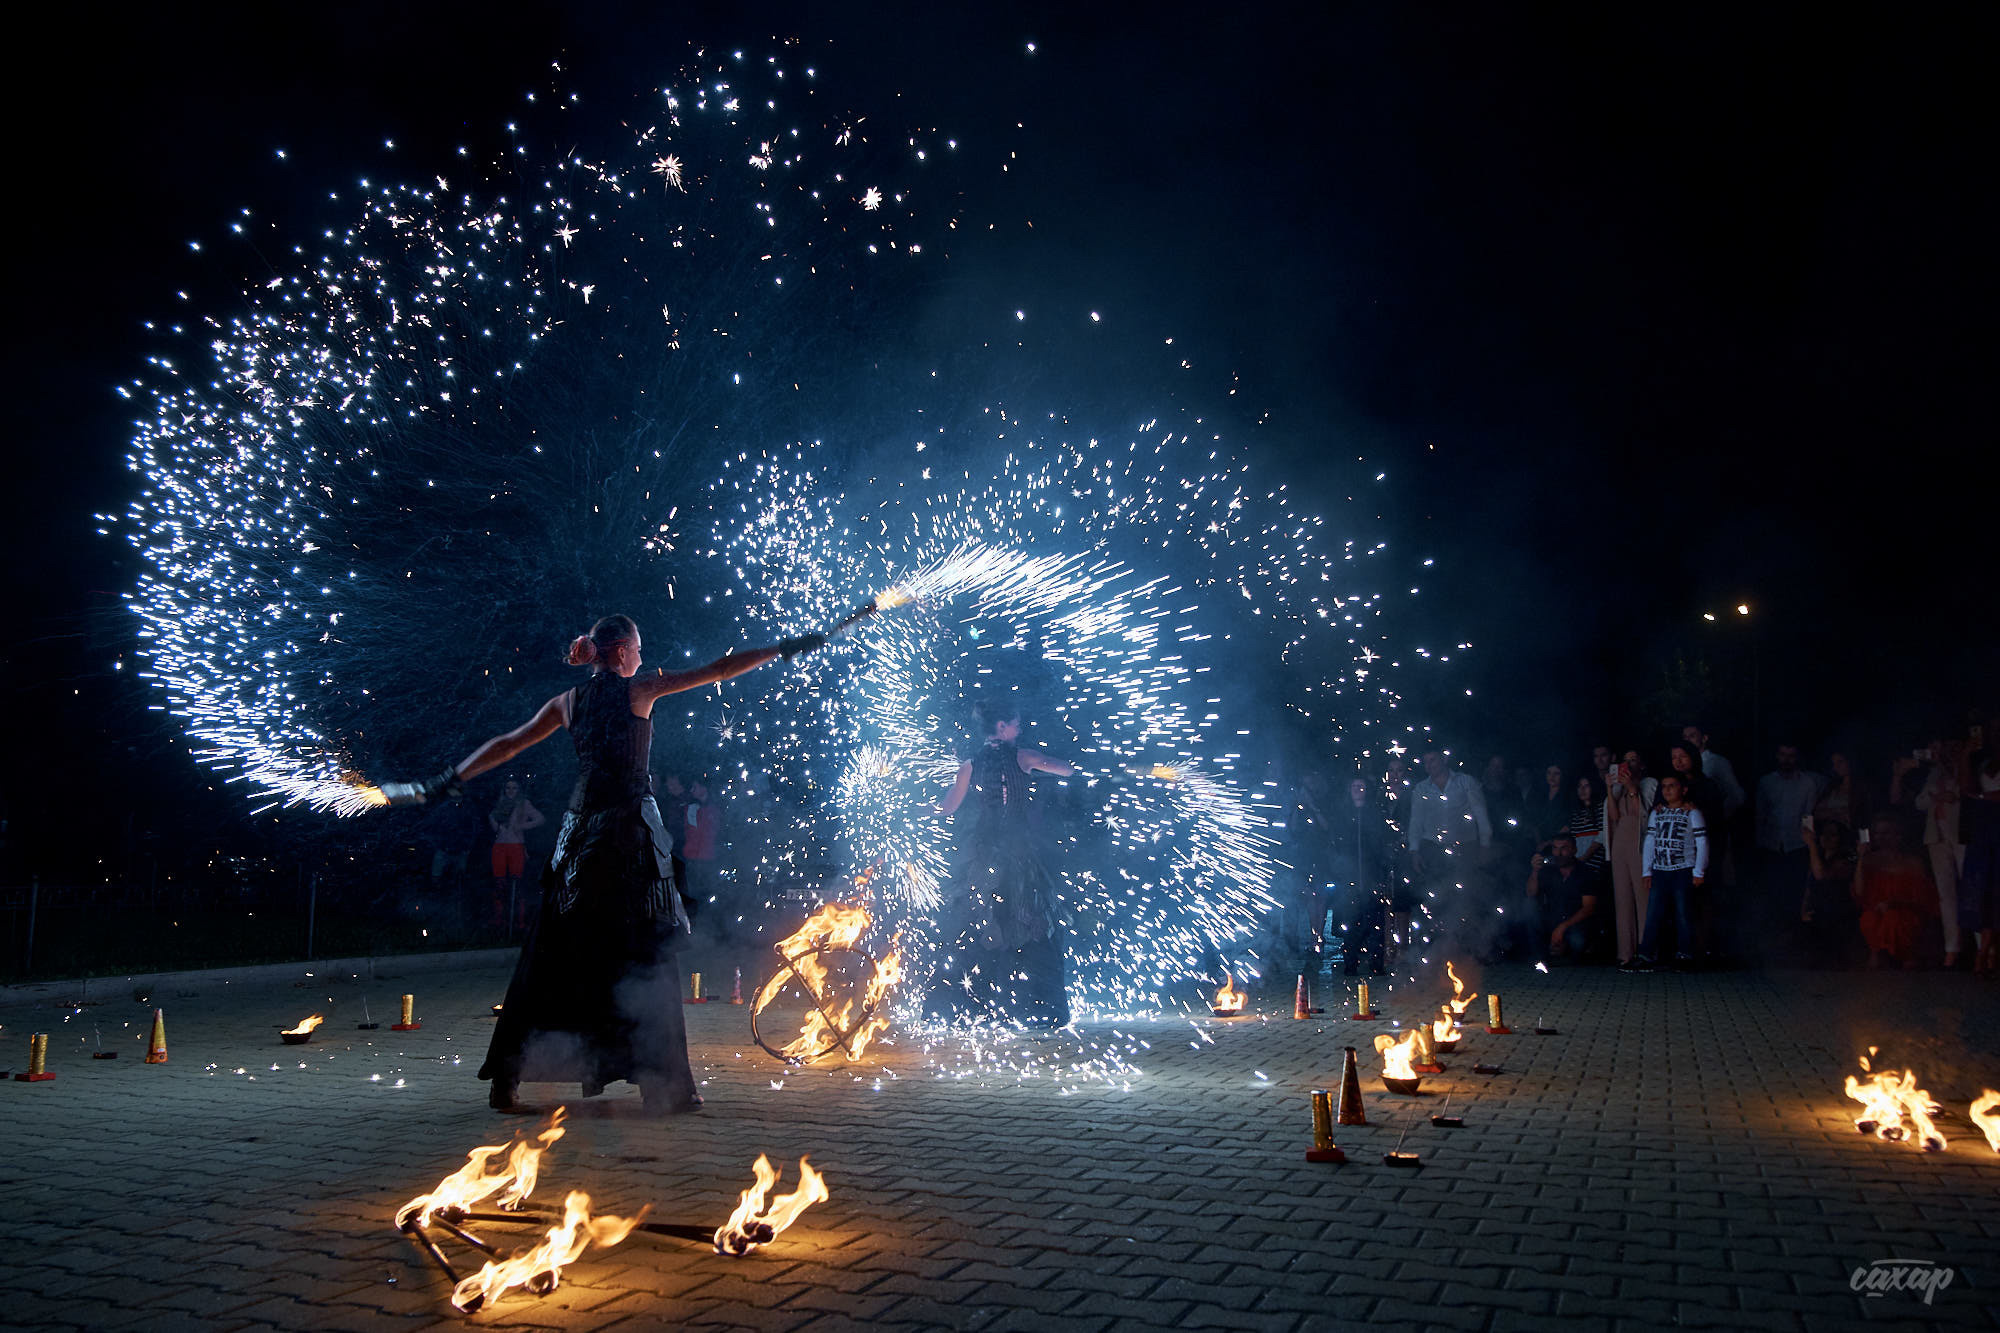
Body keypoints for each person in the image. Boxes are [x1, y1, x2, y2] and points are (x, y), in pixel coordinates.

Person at [379, 613, 825, 1112]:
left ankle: (506, 1081)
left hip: (578, 835)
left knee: (550, 956)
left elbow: (507, 744)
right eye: (637, 649)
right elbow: (719, 671)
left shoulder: (567, 702)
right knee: (645, 955)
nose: (641, 658)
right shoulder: (640, 691)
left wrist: (447, 779)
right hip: (627, 840)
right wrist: (783, 648)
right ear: (620, 654)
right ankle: (667, 1088)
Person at [932, 703, 1078, 1027]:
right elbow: (1066, 769)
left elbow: (947, 807)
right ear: (1000, 726)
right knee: (1031, 923)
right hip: (1017, 854)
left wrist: (919, 809)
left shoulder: (970, 765)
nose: (1019, 729)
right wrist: (1058, 761)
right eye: (1015, 723)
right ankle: (1035, 1010)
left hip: (985, 855)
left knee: (982, 923)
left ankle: (970, 1011)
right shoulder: (1022, 757)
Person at [1407, 750, 1492, 948]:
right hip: (1434, 849)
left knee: (1466, 894)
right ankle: (1438, 944)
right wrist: (1414, 850)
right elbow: (1416, 821)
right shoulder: (1421, 789)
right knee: (1437, 896)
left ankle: (1470, 945)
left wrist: (1485, 844)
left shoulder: (1466, 782)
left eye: (1433, 759)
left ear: (1443, 759)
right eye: (1426, 761)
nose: (1430, 765)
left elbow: (1480, 813)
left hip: (1464, 847)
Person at [1635, 773, 1708, 969]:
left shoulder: (1692, 813)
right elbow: (1650, 842)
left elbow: (1702, 842)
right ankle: (1646, 954)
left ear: (1683, 789)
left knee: (1683, 914)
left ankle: (1685, 955)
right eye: (1664, 786)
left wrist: (1698, 871)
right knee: (1653, 914)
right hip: (1660, 871)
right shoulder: (1657, 813)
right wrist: (1646, 871)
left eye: (1672, 786)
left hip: (1683, 870)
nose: (1667, 790)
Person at [1323, 775, 1395, 975]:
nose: (1358, 789)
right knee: (1351, 920)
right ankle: (1350, 962)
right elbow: (1336, 844)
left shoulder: (1375, 814)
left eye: (1361, 786)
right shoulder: (1343, 814)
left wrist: (1383, 868)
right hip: (1349, 875)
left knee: (1375, 921)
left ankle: (1376, 963)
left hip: (1372, 873)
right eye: (1354, 786)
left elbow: (1382, 843)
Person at [1853, 812, 1935, 969]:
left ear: (1898, 835)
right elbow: (1859, 891)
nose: (1880, 837)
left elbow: (1923, 898)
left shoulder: (1913, 862)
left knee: (1895, 919)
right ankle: (1876, 955)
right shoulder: (1870, 860)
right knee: (1870, 918)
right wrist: (1861, 858)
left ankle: (1908, 956)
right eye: (1877, 833)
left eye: (1886, 833)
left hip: (1906, 911)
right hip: (1877, 910)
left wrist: (1894, 903)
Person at [1912, 741, 1964, 969]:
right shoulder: (1933, 774)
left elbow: (1963, 796)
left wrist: (1950, 796)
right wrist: (1936, 796)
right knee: (1946, 895)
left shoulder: (1963, 770)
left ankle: (1984, 946)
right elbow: (1919, 802)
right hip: (1937, 837)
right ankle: (1952, 949)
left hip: (1962, 836)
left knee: (1971, 890)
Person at [1607, 750, 1657, 967]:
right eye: (1625, 760)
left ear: (1642, 764)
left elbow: (1643, 816)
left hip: (1640, 843)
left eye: (1633, 760)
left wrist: (1631, 788)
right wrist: (1610, 788)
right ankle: (1625, 953)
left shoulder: (1650, 784)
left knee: (1643, 897)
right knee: (1622, 897)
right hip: (1620, 842)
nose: (1628, 764)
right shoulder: (1618, 788)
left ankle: (1646, 951)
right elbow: (1613, 816)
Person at [1527, 833, 1602, 961]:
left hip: (1575, 923)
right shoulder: (1548, 870)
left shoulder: (1585, 873)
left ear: (1574, 850)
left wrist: (1562, 928)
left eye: (1564, 848)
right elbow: (1531, 893)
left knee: (1577, 941)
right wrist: (1534, 871)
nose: (1559, 853)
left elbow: (1589, 908)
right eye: (1555, 848)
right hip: (1552, 921)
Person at [488, 778, 546, 932]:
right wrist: (496, 825)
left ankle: (519, 922)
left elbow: (540, 819)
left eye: (514, 788)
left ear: (519, 790)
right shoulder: (499, 805)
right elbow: (493, 823)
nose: (511, 791)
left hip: (516, 847)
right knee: (499, 885)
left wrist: (522, 826)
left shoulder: (524, 804)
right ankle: (499, 921)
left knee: (518, 885)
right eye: (508, 788)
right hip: (499, 847)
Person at [1800, 816, 1857, 968]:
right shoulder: (1817, 856)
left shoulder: (1848, 857)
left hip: (1839, 911)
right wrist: (1803, 909)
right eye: (1824, 833)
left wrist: (1811, 845)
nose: (1827, 838)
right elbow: (1809, 884)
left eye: (1833, 834)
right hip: (1818, 909)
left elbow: (1821, 875)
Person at [1681, 725, 1747, 816]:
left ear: (1704, 738)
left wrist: (1717, 816)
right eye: (1685, 737)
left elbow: (1737, 795)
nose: (1687, 740)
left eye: (1692, 736)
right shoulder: (1680, 764)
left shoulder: (1717, 762)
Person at [1564, 773, 1609, 869]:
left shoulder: (1600, 807)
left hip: (1595, 862)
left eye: (1586, 786)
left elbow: (1602, 835)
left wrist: (1585, 857)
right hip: (1576, 862)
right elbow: (1574, 837)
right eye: (1579, 786)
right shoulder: (1577, 812)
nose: (1582, 790)